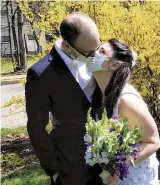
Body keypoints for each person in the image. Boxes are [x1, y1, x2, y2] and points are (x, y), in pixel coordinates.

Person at [25, 13, 103, 185]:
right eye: (90, 52)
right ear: (67, 45)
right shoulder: (41, 74)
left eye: (98, 45)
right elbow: (36, 127)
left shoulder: (95, 53)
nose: (96, 55)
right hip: (70, 166)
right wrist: (53, 169)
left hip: (105, 159)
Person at [87, 38, 160, 185]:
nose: (94, 54)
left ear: (113, 64)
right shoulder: (98, 93)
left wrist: (120, 169)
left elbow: (153, 142)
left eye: (102, 51)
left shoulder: (126, 101)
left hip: (134, 177)